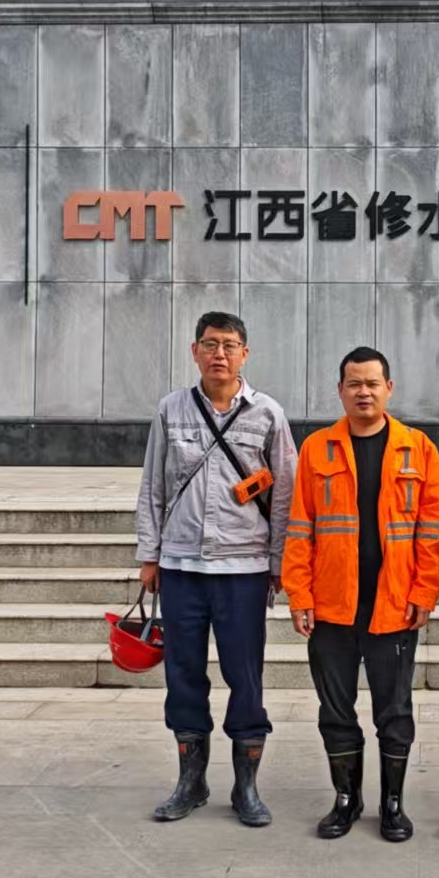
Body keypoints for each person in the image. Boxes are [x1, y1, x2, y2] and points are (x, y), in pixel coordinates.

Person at [134, 312, 296, 827]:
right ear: (194, 351)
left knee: (244, 674)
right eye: (209, 344)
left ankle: (246, 786)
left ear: (245, 353)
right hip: (181, 564)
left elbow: (285, 494)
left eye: (229, 345)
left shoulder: (267, 413)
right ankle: (192, 781)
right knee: (183, 672)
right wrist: (149, 555)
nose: (219, 354)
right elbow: (153, 485)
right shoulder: (171, 409)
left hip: (244, 566)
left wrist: (278, 562)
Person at [281, 346, 439, 843]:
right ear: (340, 390)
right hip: (332, 608)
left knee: (394, 711)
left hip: (393, 606)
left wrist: (425, 591)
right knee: (335, 710)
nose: (363, 392)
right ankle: (345, 799)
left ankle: (393, 803)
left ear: (388, 388)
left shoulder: (418, 449)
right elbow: (299, 527)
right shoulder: (317, 448)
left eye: (372, 383)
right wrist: (299, 595)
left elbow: (430, 532)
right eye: (354, 383)